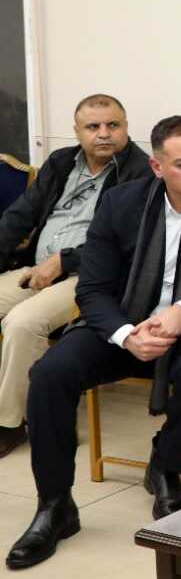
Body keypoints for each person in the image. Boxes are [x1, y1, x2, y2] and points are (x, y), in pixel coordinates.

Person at [6, 116, 181, 569]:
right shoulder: (120, 203)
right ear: (157, 167)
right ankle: (55, 505)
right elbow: (93, 288)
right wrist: (126, 335)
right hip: (125, 321)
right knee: (50, 374)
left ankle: (166, 465)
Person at [0, 94, 149, 457]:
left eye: (113, 125)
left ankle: (12, 422)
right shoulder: (61, 162)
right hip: (35, 269)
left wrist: (64, 261)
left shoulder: (141, 172)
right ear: (77, 131)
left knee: (23, 322)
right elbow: (19, 216)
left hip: (92, 278)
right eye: (93, 126)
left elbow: (127, 243)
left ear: (126, 128)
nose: (104, 133)